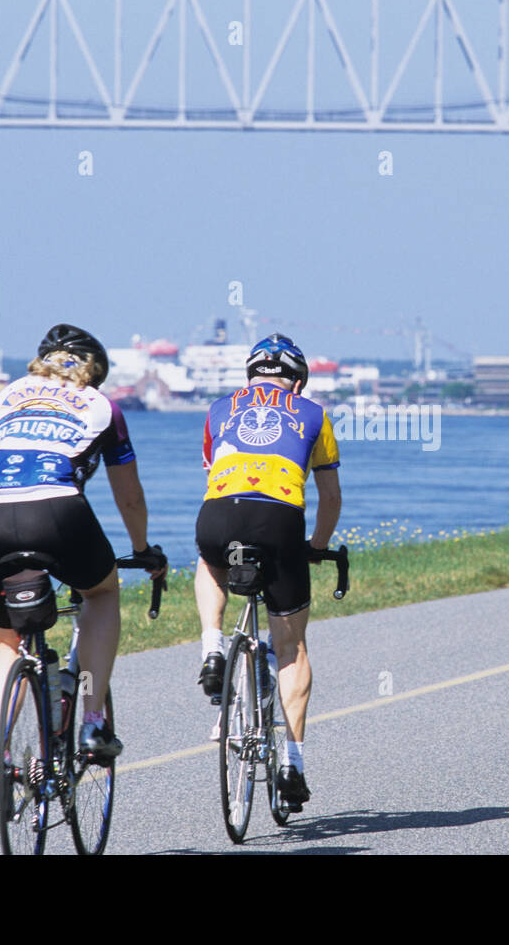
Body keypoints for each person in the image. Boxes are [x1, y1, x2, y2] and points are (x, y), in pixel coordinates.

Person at [0, 324, 166, 818]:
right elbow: (128, 493)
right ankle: (93, 720)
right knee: (101, 594)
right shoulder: (103, 406)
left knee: (5, 642)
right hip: (56, 511)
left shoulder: (8, 396)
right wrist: (142, 549)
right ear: (94, 372)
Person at [194, 333, 342, 812]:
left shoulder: (219, 409)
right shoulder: (314, 414)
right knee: (291, 648)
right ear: (297, 380)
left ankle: (212, 646)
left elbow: (216, 473)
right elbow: (331, 498)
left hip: (220, 515)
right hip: (279, 521)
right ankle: (292, 764)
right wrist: (316, 547)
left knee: (212, 562)